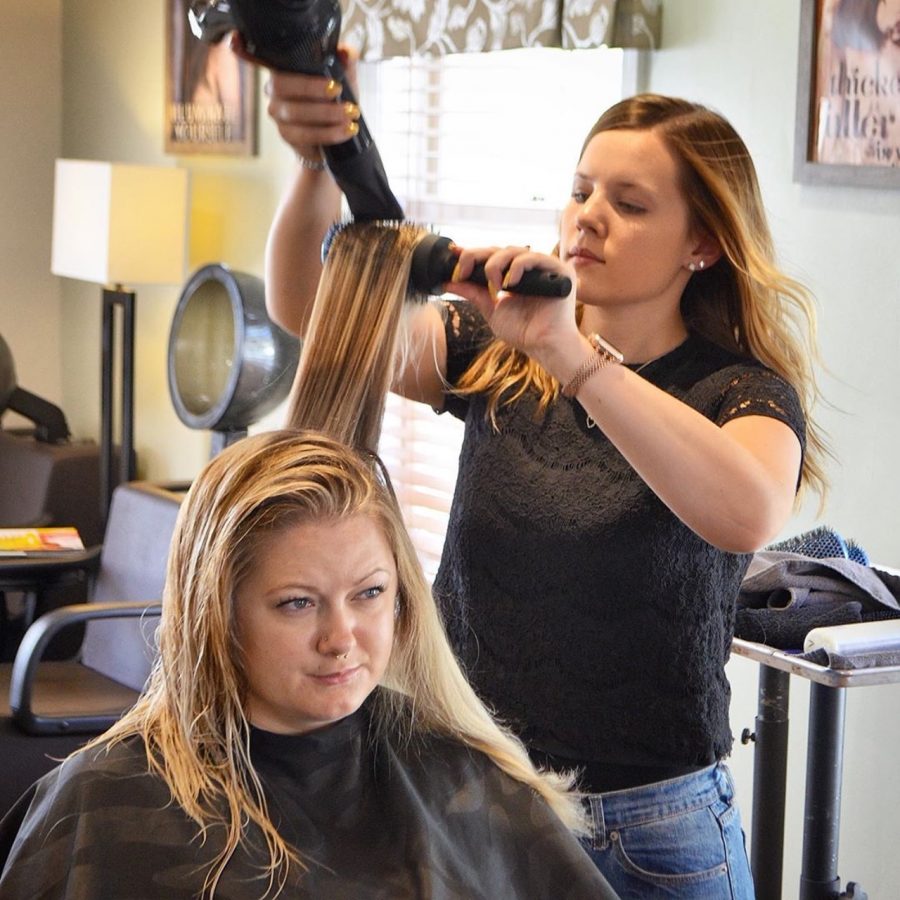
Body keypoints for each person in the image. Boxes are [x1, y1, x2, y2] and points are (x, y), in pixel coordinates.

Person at [259, 45, 829, 898]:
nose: (587, 218)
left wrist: (572, 353)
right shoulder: (494, 357)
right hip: (476, 793)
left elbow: (745, 513)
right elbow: (311, 302)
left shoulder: (740, 392)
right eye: (580, 190)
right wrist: (314, 169)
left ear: (703, 243)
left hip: (653, 831)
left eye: (628, 204)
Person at [0, 430, 616, 899]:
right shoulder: (104, 798)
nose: (340, 637)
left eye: (369, 593)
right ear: (217, 613)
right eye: (298, 604)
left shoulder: (460, 770)